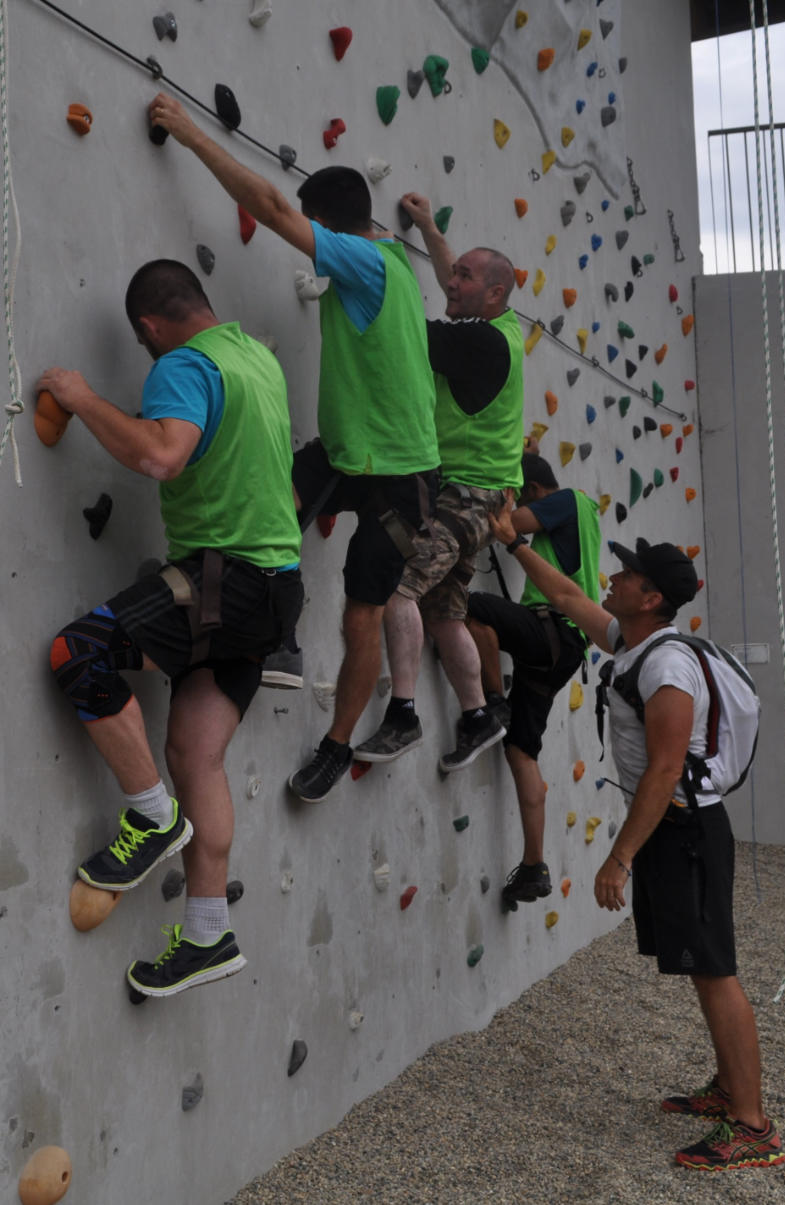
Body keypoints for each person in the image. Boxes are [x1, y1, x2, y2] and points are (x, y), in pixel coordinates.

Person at [148, 94, 439, 804]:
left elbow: (275, 210)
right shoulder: (393, 259)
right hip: (347, 451)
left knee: (362, 612)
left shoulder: (366, 261)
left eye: (315, 230)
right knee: (271, 507)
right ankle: (281, 638)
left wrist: (189, 133)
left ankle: (336, 745)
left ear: (329, 226)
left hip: (401, 475)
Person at [488, 505, 785, 1172]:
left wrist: (618, 858)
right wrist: (515, 543)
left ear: (651, 599)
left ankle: (753, 1125)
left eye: (627, 575)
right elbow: (568, 598)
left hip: (686, 831)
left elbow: (665, 769)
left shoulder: (666, 667)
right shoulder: (636, 644)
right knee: (702, 964)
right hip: (673, 828)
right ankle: (728, 1088)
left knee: (715, 969)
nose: (613, 578)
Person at [39, 260, 303, 997]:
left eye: (143, 341)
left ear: (150, 327)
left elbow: (162, 454)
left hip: (225, 582)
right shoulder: (256, 360)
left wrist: (82, 398)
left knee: (76, 652)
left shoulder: (184, 365)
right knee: (195, 755)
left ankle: (151, 817)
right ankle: (208, 935)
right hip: (276, 592)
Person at [354, 192, 523, 772]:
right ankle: (477, 716)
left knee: (399, 585)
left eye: (464, 278)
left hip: (467, 494)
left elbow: (407, 327)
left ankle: (403, 714)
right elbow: (461, 285)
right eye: (455, 273)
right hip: (483, 495)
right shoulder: (502, 324)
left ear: (494, 293)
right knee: (445, 612)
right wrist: (427, 226)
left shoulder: (478, 342)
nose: (451, 282)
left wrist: (379, 258)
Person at [466, 452, 600, 908]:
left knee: (467, 607)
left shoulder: (566, 499)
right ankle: (533, 865)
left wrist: (500, 494)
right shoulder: (584, 516)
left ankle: (493, 701)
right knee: (521, 750)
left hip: (551, 629)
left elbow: (508, 522)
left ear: (536, 491)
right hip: (566, 647)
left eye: (523, 497)